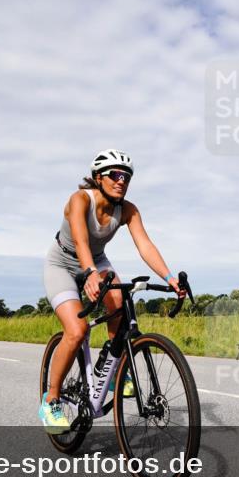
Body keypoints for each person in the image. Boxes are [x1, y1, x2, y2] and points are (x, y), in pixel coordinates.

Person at [40, 149, 185, 432]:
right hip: (63, 263)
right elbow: (81, 241)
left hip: (96, 261)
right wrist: (90, 274)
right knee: (77, 331)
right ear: (98, 178)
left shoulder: (128, 210)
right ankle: (52, 399)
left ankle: (113, 365)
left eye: (127, 177)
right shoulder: (80, 199)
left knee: (119, 299)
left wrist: (169, 277)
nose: (122, 181)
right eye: (116, 175)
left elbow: (145, 245)